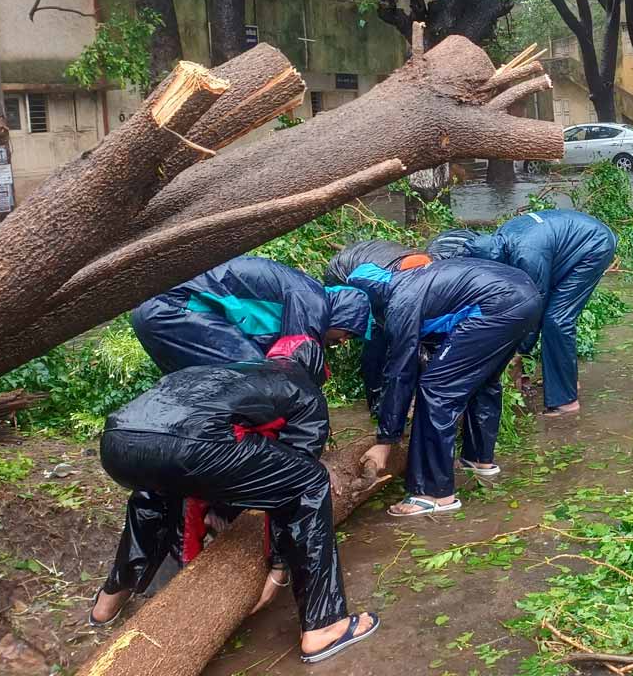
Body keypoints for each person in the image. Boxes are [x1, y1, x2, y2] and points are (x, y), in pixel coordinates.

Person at [89, 338, 380, 664]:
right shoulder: (304, 389)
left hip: (117, 442)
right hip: (193, 445)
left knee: (157, 488)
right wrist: (278, 568)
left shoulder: (225, 370)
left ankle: (109, 601)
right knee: (310, 481)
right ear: (315, 370)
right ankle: (324, 626)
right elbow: (289, 487)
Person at [348, 259, 541, 517]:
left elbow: (400, 374)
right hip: (525, 295)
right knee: (483, 379)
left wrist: (386, 440)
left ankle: (434, 494)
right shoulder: (409, 281)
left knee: (436, 389)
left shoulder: (400, 303)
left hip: (496, 304)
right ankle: (479, 459)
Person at [425, 209, 617, 416]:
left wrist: (516, 355)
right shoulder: (499, 242)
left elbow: (532, 312)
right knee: (542, 315)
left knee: (556, 319)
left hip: (594, 246)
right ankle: (566, 379)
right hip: (562, 246)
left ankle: (566, 402)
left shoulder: (526, 256)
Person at [131, 255, 371, 373]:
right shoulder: (313, 299)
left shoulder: (303, 294)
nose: (342, 341)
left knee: (199, 391)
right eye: (348, 333)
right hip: (174, 308)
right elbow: (295, 366)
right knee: (256, 377)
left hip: (154, 311)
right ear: (344, 314)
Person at [324, 240, 433, 432]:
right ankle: (376, 403)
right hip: (342, 274)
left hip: (372, 258)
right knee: (377, 332)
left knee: (400, 331)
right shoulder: (384, 281)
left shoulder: (429, 273)